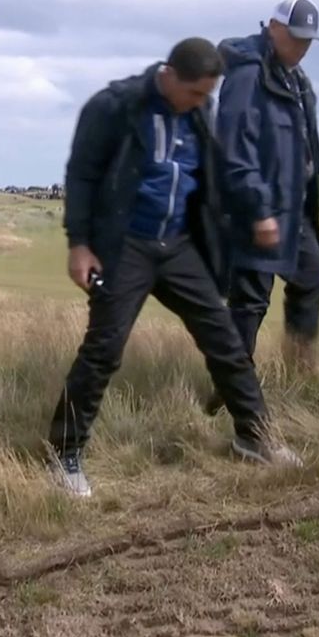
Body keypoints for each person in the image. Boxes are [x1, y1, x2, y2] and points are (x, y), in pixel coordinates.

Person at [48, 37, 303, 498]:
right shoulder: (114, 107)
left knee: (224, 338)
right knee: (104, 348)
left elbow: (221, 169)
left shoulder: (197, 112)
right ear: (169, 76)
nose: (203, 102)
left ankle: (254, 438)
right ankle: (64, 456)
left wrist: (258, 211)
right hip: (124, 245)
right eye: (197, 93)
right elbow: (81, 176)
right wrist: (79, 245)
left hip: (178, 245)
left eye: (208, 94)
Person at [206, 0, 319, 415]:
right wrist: (259, 209)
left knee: (312, 279)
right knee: (249, 305)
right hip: (257, 212)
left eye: (309, 41)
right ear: (273, 28)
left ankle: (300, 371)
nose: (302, 47)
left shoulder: (296, 80)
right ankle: (230, 388)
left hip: (293, 213)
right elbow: (233, 147)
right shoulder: (247, 75)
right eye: (296, 38)